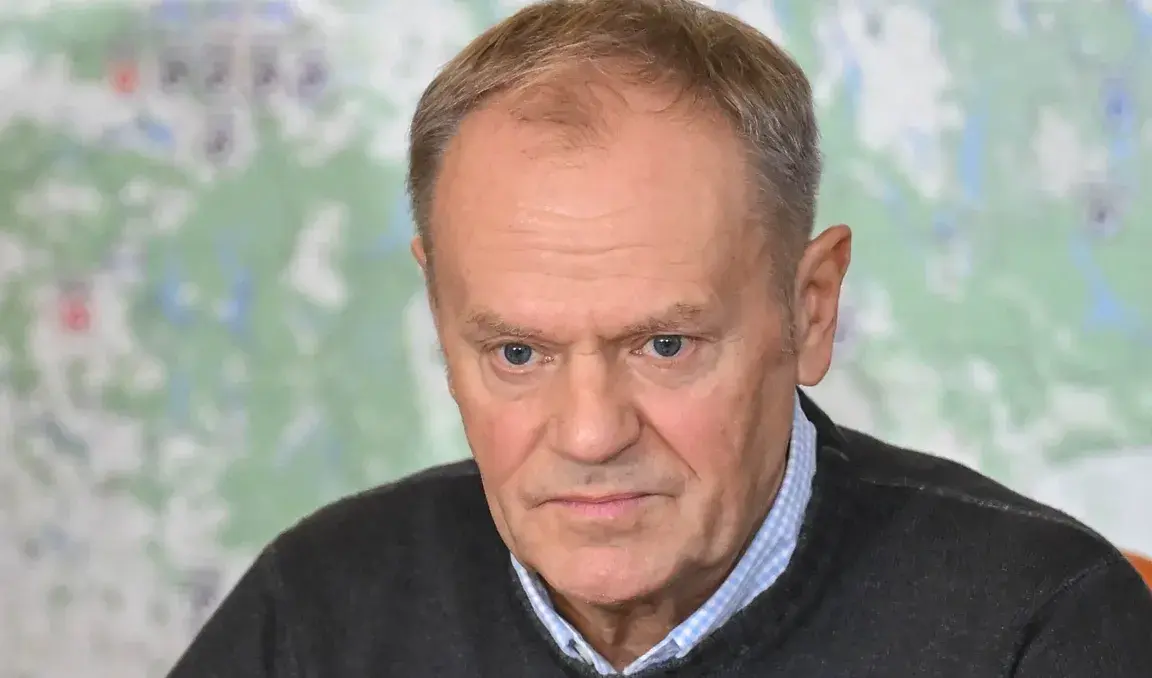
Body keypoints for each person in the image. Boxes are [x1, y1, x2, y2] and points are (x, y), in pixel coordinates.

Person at [166, 0, 1152, 676]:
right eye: (518, 353)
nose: (591, 434)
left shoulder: (1040, 629)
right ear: (439, 315)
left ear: (810, 309)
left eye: (665, 346)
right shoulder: (318, 612)